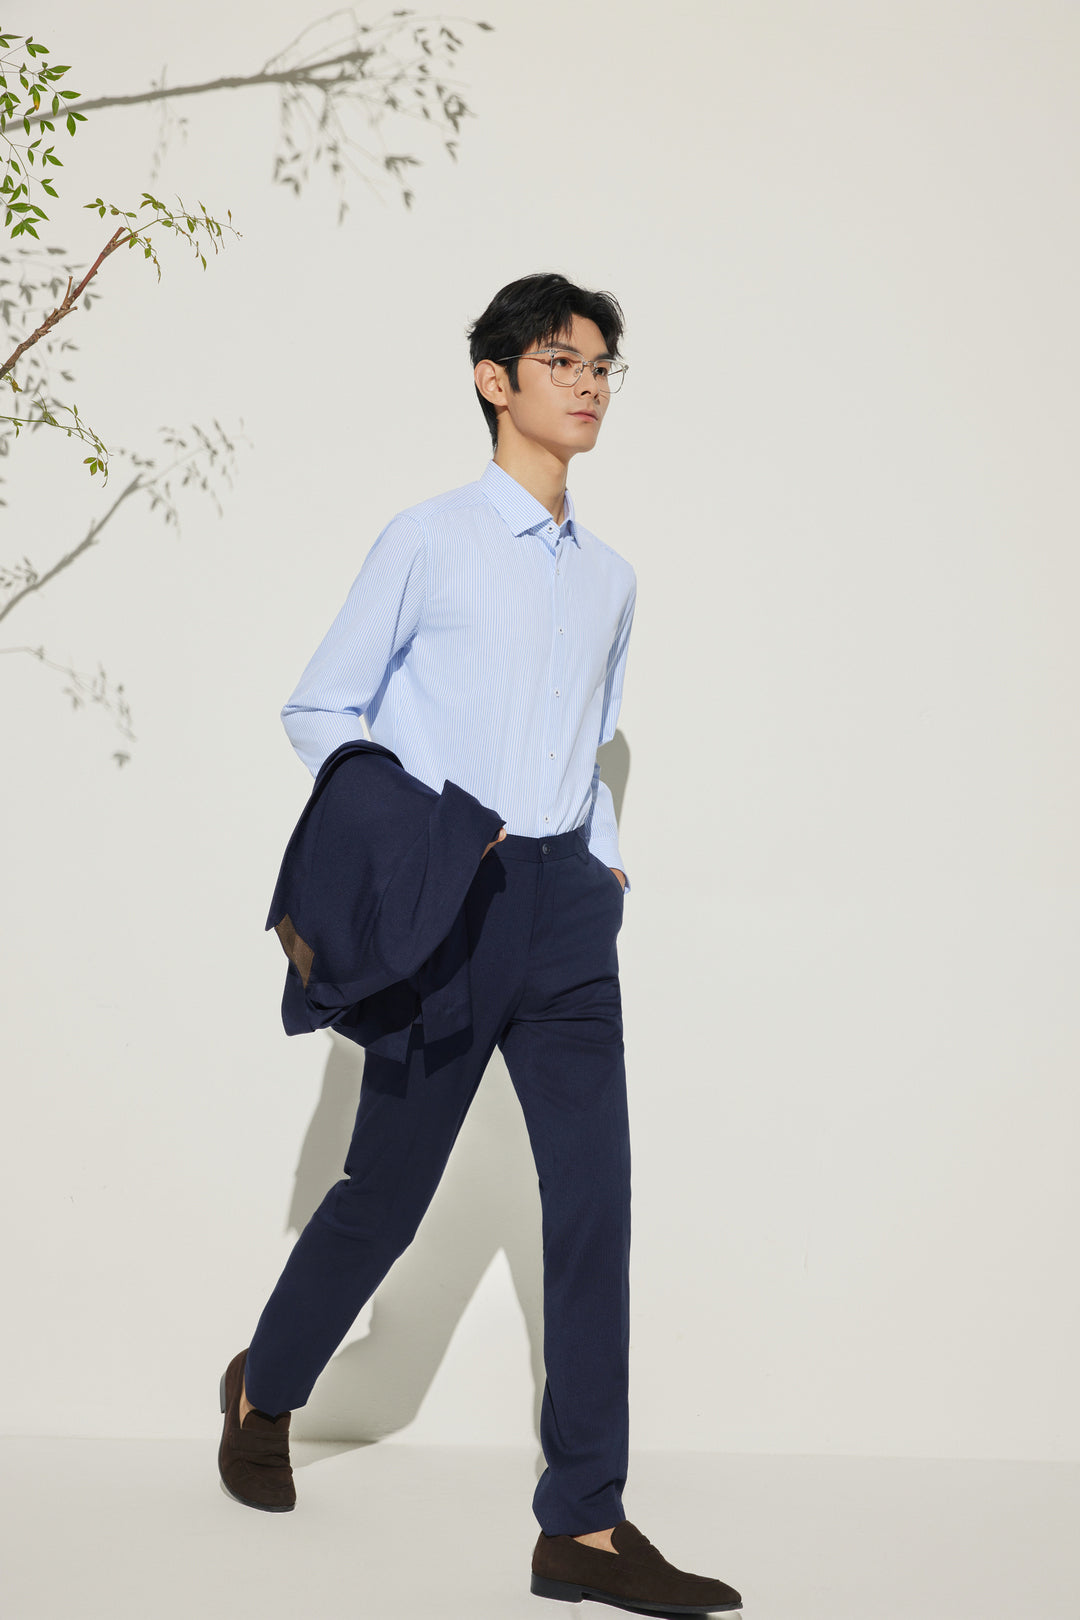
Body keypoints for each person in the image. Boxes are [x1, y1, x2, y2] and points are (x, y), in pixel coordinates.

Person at [218, 271, 743, 1615]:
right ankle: (266, 1388)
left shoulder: (613, 578)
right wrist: (427, 835)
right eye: (563, 361)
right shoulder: (430, 538)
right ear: (493, 380)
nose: (590, 384)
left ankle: (585, 1528)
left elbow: (593, 736)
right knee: (385, 1198)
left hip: (568, 914)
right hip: (451, 904)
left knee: (596, 1204)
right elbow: (322, 708)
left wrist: (603, 855)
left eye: (604, 366)